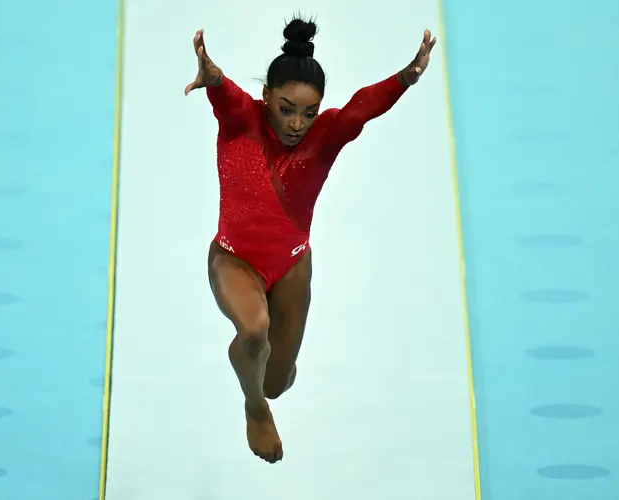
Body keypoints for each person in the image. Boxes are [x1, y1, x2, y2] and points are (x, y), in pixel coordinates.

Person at [184, 15, 436, 464]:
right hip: (234, 259)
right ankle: (254, 409)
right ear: (265, 98)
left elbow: (362, 106)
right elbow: (225, 94)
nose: (298, 123)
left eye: (309, 112)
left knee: (276, 382)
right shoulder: (244, 119)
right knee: (254, 331)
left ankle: (264, 389)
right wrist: (213, 76)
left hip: (294, 264)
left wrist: (405, 78)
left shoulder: (324, 137)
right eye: (286, 109)